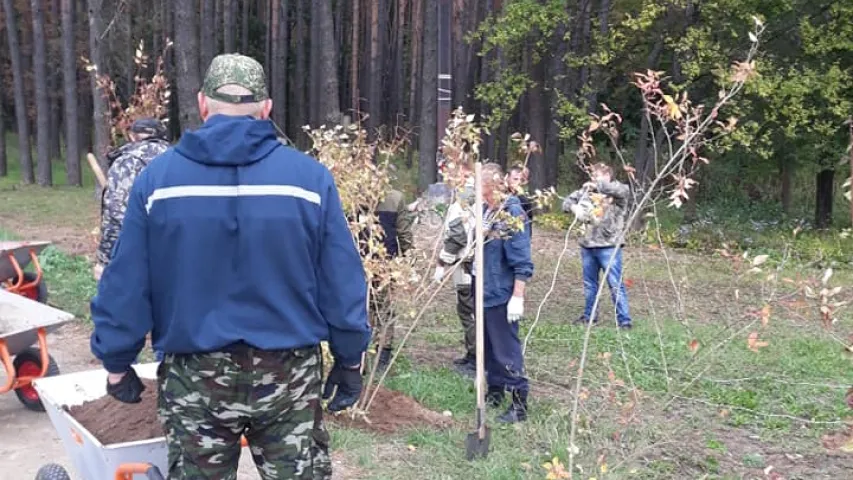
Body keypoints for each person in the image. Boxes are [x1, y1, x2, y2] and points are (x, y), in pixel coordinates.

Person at [89, 53, 370, 480]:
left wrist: (116, 361)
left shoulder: (159, 181)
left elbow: (126, 280)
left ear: (203, 104)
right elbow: (342, 281)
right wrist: (350, 360)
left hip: (194, 377)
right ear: (266, 108)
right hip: (288, 378)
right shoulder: (309, 180)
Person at [477, 163, 534, 424]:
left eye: (483, 189)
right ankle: (496, 389)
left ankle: (519, 403)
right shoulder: (485, 210)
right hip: (483, 289)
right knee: (487, 347)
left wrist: (518, 296)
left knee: (505, 349)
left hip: (501, 292)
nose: (479, 193)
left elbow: (521, 260)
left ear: (495, 187)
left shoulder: (511, 214)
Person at [94, 118, 170, 279]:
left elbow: (116, 213)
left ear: (132, 136)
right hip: (176, 250)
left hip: (136, 255)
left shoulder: (128, 161)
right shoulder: (180, 159)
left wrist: (105, 259)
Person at [562, 162, 633, 329]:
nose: (594, 179)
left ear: (608, 176)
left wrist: (599, 185)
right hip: (588, 245)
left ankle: (624, 320)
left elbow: (623, 190)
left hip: (609, 246)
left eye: (598, 175)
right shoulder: (586, 192)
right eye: (593, 176)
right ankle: (590, 316)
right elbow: (566, 202)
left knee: (615, 284)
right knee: (589, 284)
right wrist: (574, 207)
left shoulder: (617, 193)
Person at [433, 170, 477, 377]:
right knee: (471, 310)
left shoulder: (462, 203)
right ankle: (472, 353)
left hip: (466, 264)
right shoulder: (480, 200)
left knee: (468, 311)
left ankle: (475, 357)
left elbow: (457, 235)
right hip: (474, 264)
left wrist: (442, 263)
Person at [372, 188, 415, 373]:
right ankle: (383, 352)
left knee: (364, 307)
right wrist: (409, 258)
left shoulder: (348, 196)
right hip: (386, 262)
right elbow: (404, 233)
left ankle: (366, 352)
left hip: (357, 262)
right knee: (384, 308)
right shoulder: (396, 197)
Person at [507, 165, 536, 238]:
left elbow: (528, 224)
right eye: (515, 179)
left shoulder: (524, 201)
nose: (518, 182)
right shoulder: (499, 195)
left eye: (522, 180)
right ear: (507, 178)